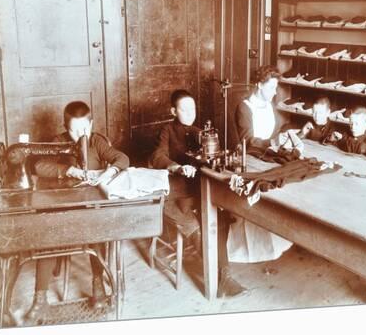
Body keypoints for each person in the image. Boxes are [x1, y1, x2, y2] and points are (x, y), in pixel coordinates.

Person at [24, 101, 130, 325]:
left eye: (84, 129)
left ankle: (97, 285)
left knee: (98, 233)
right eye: (74, 130)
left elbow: (122, 159)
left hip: (88, 205)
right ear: (65, 127)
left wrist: (109, 171)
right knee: (48, 236)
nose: (80, 135)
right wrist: (67, 170)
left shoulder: (97, 141)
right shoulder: (57, 143)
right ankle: (40, 299)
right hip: (62, 204)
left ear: (91, 124)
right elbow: (38, 166)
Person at [150, 90, 247, 297]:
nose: (189, 113)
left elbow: (211, 157)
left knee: (220, 218)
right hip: (173, 193)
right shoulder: (166, 131)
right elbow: (157, 157)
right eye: (184, 109)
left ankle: (224, 275)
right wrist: (177, 167)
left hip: (195, 190)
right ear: (173, 111)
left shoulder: (200, 133)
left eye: (192, 108)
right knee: (198, 226)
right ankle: (221, 278)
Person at [232, 66, 294, 264]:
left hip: (267, 156)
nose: (275, 92)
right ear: (259, 85)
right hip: (250, 158)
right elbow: (248, 139)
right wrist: (272, 143)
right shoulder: (244, 107)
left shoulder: (268, 104)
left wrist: (285, 136)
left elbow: (273, 130)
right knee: (257, 198)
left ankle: (274, 243)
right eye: (272, 87)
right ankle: (250, 249)